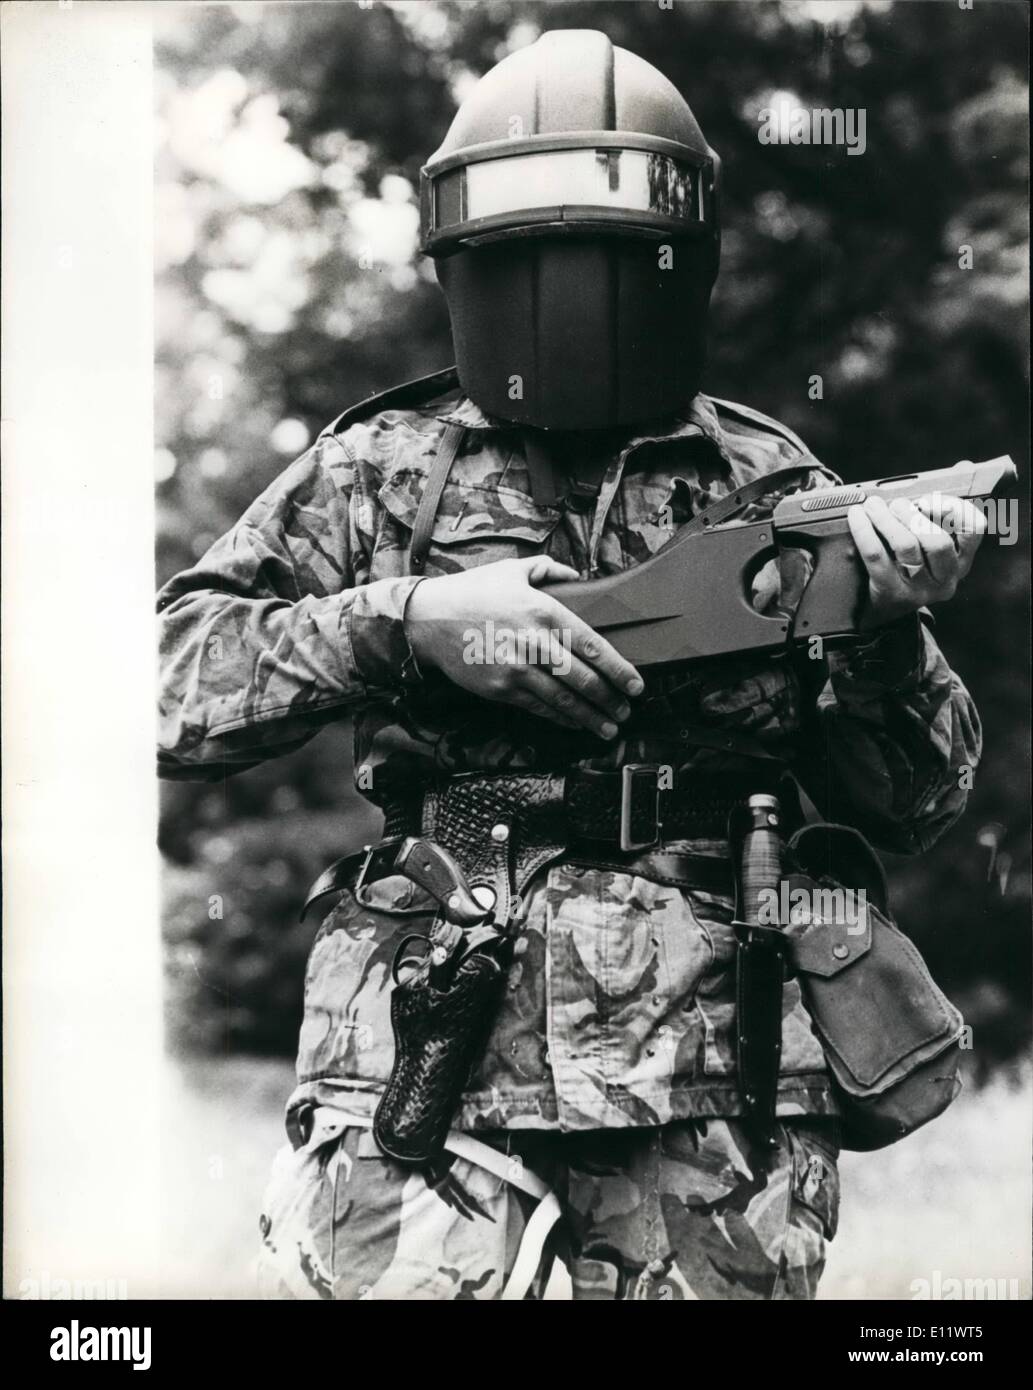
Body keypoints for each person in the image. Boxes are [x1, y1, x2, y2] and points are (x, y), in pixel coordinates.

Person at [157, 29, 987, 1300]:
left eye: (611, 253)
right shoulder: (379, 471)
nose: (571, 296)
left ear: (680, 259)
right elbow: (161, 690)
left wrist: (882, 630)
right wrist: (407, 620)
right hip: (423, 1048)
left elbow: (919, 799)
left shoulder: (772, 488)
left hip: (709, 1066)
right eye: (532, 256)